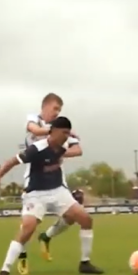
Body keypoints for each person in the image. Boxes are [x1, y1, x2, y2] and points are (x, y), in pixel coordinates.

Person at [0, 116, 102, 275]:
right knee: (28, 228)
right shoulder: (36, 149)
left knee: (86, 219)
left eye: (68, 133)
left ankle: (85, 263)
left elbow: (78, 149)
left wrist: (67, 147)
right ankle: (5, 269)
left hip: (58, 191)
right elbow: (10, 162)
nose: (66, 136)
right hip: (36, 194)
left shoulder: (63, 146)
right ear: (53, 131)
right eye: (64, 132)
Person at [26, 93, 83, 265]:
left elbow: (78, 149)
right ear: (45, 106)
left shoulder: (60, 127)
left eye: (60, 110)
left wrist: (61, 152)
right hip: (35, 178)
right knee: (30, 223)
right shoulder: (33, 119)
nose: (57, 112)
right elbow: (35, 130)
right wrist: (57, 131)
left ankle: (46, 236)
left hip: (56, 179)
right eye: (55, 108)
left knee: (73, 216)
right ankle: (21, 255)